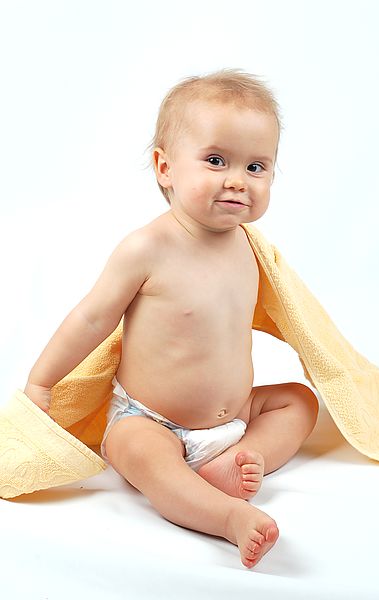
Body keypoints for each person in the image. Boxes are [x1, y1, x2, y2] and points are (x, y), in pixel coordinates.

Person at [24, 69, 319, 568]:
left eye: (256, 167)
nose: (236, 180)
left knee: (299, 401)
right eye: (216, 160)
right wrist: (41, 383)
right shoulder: (147, 248)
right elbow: (92, 319)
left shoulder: (250, 248)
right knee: (133, 449)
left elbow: (293, 317)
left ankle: (244, 459)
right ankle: (226, 515)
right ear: (165, 167)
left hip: (236, 415)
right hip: (151, 419)